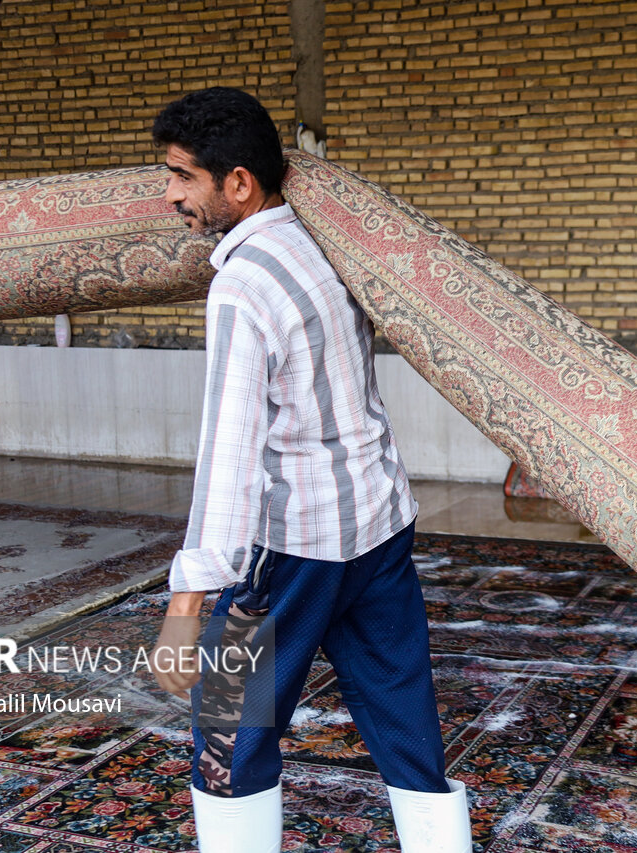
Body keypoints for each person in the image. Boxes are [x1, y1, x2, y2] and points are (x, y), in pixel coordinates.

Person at [147, 87, 471, 853]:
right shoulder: (320, 243)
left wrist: (188, 602)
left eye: (182, 177)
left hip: (289, 553)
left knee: (233, 735)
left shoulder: (242, 284)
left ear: (238, 184)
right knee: (406, 728)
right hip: (378, 527)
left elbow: (230, 451)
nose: (170, 196)